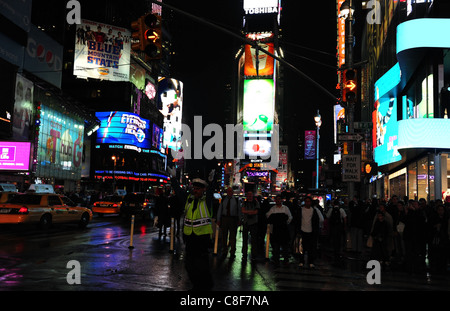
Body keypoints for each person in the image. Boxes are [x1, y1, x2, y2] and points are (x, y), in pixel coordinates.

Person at [169, 167, 215, 291]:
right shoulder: (188, 200)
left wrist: (211, 182)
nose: (195, 191)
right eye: (194, 188)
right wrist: (173, 179)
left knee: (201, 265)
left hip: (202, 238)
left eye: (198, 189)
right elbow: (178, 191)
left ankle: (204, 287)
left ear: (203, 190)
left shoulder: (207, 201)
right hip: (190, 237)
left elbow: (210, 192)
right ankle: (197, 286)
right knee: (189, 265)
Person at [295, 196, 323, 268]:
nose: (307, 203)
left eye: (309, 201)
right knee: (304, 248)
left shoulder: (313, 210)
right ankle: (304, 261)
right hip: (304, 231)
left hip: (310, 231)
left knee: (308, 248)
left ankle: (308, 261)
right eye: (306, 201)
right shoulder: (304, 210)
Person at [266, 195, 293, 265]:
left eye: (279, 199)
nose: (278, 201)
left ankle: (285, 259)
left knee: (285, 246)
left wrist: (286, 223)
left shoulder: (285, 208)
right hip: (276, 230)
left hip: (284, 229)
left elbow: (290, 217)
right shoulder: (273, 209)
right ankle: (276, 259)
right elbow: (267, 215)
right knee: (276, 246)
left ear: (281, 200)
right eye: (276, 199)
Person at [216, 187, 241, 259]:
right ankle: (224, 251)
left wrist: (239, 219)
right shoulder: (224, 199)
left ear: (232, 192)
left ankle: (232, 252)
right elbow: (220, 209)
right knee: (224, 236)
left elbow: (239, 210)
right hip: (224, 218)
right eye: (228, 191)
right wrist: (218, 219)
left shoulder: (236, 200)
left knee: (232, 236)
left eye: (231, 191)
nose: (229, 192)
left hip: (233, 219)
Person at [326, 199, 347, 264]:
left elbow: (327, 217)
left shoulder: (331, 210)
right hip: (339, 226)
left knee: (334, 238)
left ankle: (334, 250)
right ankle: (339, 250)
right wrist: (344, 226)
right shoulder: (341, 210)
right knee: (339, 238)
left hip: (333, 226)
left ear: (333, 204)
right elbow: (345, 218)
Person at [241, 191, 260, 261]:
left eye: (250, 195)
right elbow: (243, 211)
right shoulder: (245, 203)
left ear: (252, 196)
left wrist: (247, 212)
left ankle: (253, 255)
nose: (249, 196)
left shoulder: (255, 202)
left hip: (253, 223)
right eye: (248, 195)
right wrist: (251, 212)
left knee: (254, 240)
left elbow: (256, 212)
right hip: (246, 223)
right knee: (245, 239)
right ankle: (245, 255)